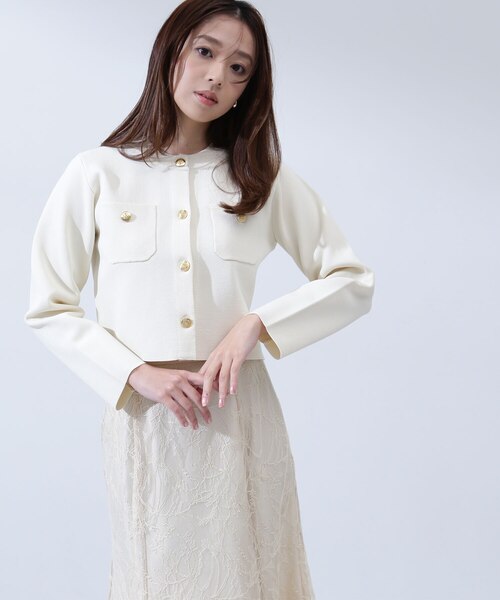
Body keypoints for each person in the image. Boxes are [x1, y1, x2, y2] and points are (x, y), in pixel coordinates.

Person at [24, 0, 375, 598]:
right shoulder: (97, 173)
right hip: (147, 420)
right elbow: (50, 307)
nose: (216, 76)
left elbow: (351, 281)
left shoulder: (259, 178)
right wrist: (135, 373)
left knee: (253, 577)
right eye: (206, 52)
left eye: (239, 69)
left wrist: (255, 325)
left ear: (248, 89)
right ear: (171, 52)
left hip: (239, 411)